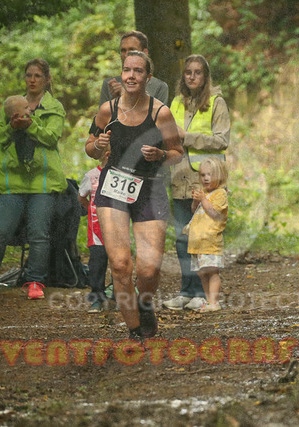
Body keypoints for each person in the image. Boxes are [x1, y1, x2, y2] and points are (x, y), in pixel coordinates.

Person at [85, 51, 183, 340]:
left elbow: (178, 153)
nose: (131, 76)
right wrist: (98, 145)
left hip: (150, 189)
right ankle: (135, 330)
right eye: (127, 70)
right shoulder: (108, 110)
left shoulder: (160, 113)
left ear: (148, 77)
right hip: (113, 187)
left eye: (138, 71)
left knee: (148, 269)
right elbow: (90, 147)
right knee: (119, 265)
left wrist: (161, 154)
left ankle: (145, 303)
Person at [0, 58, 67, 301]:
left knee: (39, 233)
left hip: (43, 181)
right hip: (12, 180)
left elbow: (51, 138)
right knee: (0, 232)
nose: (32, 80)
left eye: (38, 76)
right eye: (29, 75)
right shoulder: (12, 104)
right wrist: (12, 126)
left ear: (47, 79)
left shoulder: (54, 107)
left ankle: (35, 282)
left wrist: (30, 124)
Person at [163, 54, 231, 311]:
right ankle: (186, 291)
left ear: (205, 76)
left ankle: (203, 294)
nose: (192, 76)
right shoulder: (176, 102)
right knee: (183, 238)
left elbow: (222, 140)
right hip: (179, 176)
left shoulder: (216, 102)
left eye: (197, 72)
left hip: (205, 181)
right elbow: (167, 134)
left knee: (203, 238)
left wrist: (187, 137)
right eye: (188, 72)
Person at [187, 157, 229, 312]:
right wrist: (196, 201)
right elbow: (194, 211)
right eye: (203, 175)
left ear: (220, 175)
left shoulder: (220, 194)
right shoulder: (204, 193)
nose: (205, 178)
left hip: (210, 240)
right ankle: (208, 300)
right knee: (202, 273)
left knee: (212, 271)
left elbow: (214, 213)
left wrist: (203, 199)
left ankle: (214, 302)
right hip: (197, 241)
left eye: (210, 175)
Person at [78, 146, 113, 313]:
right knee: (97, 264)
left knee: (119, 262)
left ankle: (118, 295)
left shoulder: (122, 175)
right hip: (96, 230)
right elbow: (82, 197)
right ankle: (97, 297)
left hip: (117, 229)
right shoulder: (91, 176)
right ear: (108, 155)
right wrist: (91, 210)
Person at [99, 30, 169, 106]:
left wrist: (125, 96)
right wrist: (115, 100)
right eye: (123, 50)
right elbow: (103, 113)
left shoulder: (159, 87)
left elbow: (158, 113)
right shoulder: (110, 85)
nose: (127, 54)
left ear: (145, 52)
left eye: (132, 50)